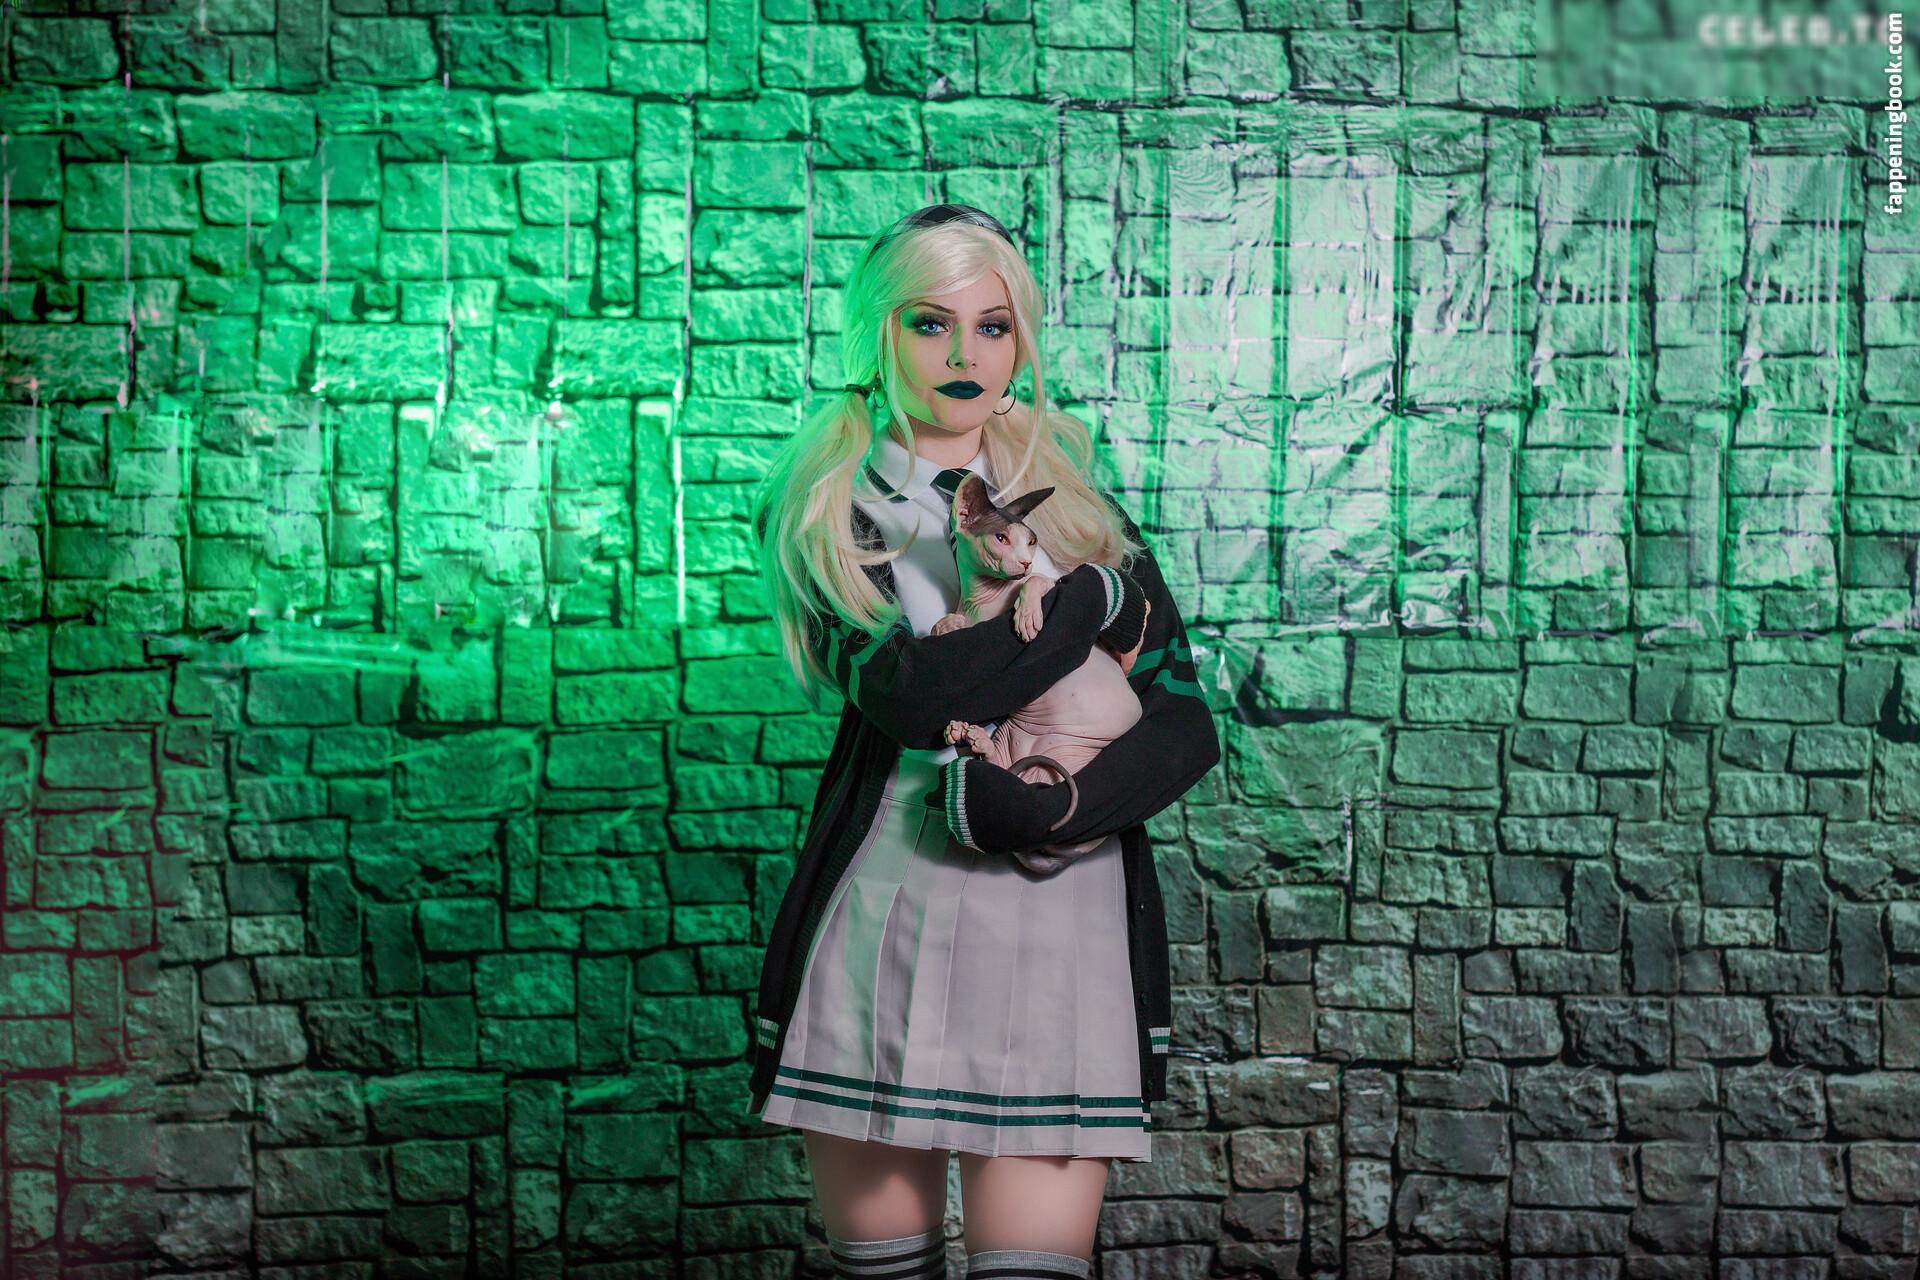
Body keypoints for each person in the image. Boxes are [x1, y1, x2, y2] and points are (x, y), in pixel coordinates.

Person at [746, 203, 1219, 1280]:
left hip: (1066, 929)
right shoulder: (827, 509)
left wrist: (1059, 807)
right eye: (930, 323)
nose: (964, 353)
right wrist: (1083, 610)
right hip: (886, 915)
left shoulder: (1082, 510)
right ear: (877, 335)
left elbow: (1185, 720)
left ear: (1021, 343)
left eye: (992, 326)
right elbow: (917, 697)